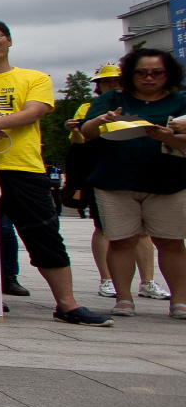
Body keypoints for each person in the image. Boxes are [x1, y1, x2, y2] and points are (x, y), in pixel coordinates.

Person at [0, 17, 112, 326]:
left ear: (8, 40)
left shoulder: (35, 78)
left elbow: (34, 112)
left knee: (44, 234)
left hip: (23, 168)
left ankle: (67, 304)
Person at [79, 48, 186, 319]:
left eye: (156, 73)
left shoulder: (180, 101)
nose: (149, 78)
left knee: (171, 241)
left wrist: (166, 136)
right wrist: (101, 120)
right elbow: (86, 132)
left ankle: (180, 301)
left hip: (168, 180)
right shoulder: (112, 98)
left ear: (168, 74)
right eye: (141, 72)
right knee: (121, 241)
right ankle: (123, 299)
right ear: (130, 74)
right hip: (115, 179)